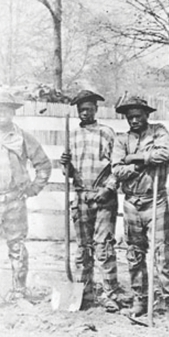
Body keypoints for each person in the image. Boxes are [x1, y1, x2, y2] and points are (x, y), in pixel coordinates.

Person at [111, 96, 169, 322]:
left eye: (138, 116)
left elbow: (166, 154)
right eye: (130, 117)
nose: (134, 121)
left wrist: (136, 157)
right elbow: (116, 169)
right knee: (134, 253)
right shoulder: (121, 139)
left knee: (162, 254)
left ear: (146, 115)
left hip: (155, 200)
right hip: (132, 201)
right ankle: (140, 298)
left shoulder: (159, 132)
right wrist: (139, 164)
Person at [60, 90, 124, 311]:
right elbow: (69, 174)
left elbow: (118, 166)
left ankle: (110, 293)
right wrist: (65, 165)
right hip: (80, 196)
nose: (85, 113)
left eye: (88, 109)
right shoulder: (72, 135)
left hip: (103, 197)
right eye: (81, 110)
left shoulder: (106, 133)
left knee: (103, 246)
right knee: (83, 248)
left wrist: (108, 188)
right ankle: (83, 292)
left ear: (96, 109)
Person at [0, 91, 52, 301]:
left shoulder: (22, 138)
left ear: (13, 113)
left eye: (6, 109)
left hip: (13, 201)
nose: (1, 113)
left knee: (16, 246)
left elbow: (44, 164)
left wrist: (32, 189)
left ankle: (19, 291)